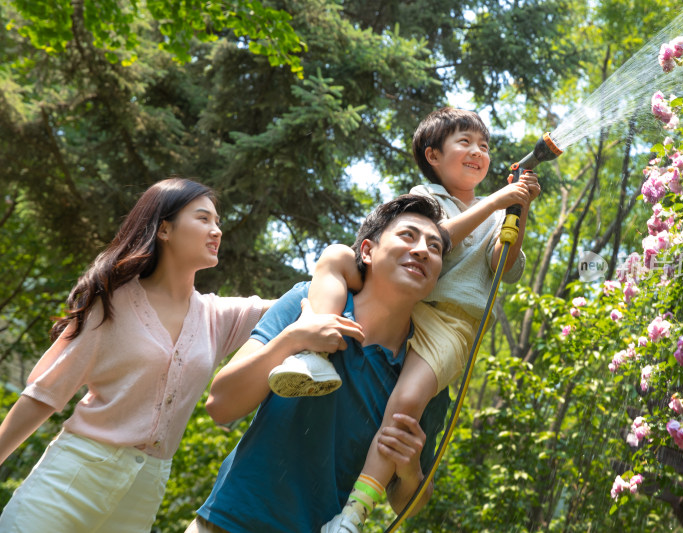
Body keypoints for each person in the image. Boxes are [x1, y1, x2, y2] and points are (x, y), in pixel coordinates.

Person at [268, 107, 540, 532]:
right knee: (339, 259)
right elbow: (439, 240)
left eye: (484, 146)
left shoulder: (494, 211)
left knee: (405, 406)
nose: (477, 152)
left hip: (451, 324)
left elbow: (504, 263)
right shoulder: (425, 197)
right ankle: (310, 353)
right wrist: (498, 202)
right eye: (464, 142)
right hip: (404, 304)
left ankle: (354, 512)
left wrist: (514, 212)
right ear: (433, 155)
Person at [0, 177, 272, 533]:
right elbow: (44, 393)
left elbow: (297, 304)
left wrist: (344, 263)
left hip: (145, 491)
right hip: (74, 476)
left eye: (217, 221)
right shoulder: (111, 303)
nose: (216, 230)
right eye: (203, 218)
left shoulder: (217, 317)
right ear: (164, 229)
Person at [185, 194, 453, 533]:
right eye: (408, 236)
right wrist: (295, 338)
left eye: (435, 247)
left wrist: (411, 471)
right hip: (225, 523)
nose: (422, 251)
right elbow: (220, 405)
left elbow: (407, 503)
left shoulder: (426, 374)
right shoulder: (306, 302)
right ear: (367, 251)